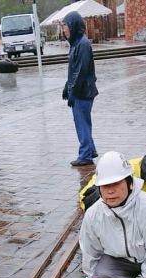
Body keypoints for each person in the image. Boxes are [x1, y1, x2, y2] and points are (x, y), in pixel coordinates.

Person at [61, 12, 98, 167]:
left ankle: (85, 155)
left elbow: (81, 71)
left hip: (83, 92)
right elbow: (73, 70)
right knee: (84, 123)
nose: (63, 30)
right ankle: (90, 150)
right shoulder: (76, 43)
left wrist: (73, 92)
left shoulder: (82, 44)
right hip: (80, 90)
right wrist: (66, 87)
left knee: (81, 123)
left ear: (73, 26)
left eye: (65, 27)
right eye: (62, 27)